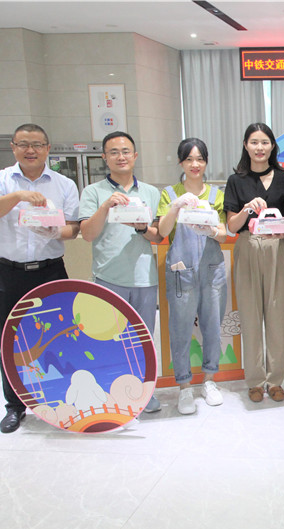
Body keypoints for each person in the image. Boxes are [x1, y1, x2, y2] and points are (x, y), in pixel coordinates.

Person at [0, 123, 80, 433]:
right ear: (13, 147)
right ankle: (15, 406)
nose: (30, 150)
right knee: (10, 341)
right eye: (23, 144)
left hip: (50, 271)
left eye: (37, 144)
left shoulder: (64, 184)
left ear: (47, 148)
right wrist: (19, 195)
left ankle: (59, 401)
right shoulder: (0, 179)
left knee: (59, 338)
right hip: (9, 273)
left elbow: (73, 228)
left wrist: (55, 231)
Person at [78, 131, 163, 412]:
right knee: (108, 340)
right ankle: (111, 395)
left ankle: (143, 393)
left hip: (144, 279)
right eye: (114, 152)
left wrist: (142, 228)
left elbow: (158, 236)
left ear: (135, 156)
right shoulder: (93, 192)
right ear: (104, 157)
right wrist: (106, 206)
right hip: (108, 277)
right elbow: (87, 234)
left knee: (142, 340)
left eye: (126, 151)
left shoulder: (150, 192)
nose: (121, 156)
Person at [156, 138, 228, 414]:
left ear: (206, 162)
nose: (195, 164)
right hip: (181, 271)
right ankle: (184, 386)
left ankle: (209, 380)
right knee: (180, 328)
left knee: (212, 326)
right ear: (181, 162)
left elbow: (223, 235)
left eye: (200, 159)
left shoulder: (216, 194)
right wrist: (176, 207)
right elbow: (163, 232)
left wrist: (210, 229)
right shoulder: (169, 193)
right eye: (189, 159)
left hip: (212, 269)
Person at [225, 123, 284, 403]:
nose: (260, 147)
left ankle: (275, 380)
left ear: (272, 146)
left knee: (277, 316)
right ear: (245, 145)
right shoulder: (236, 180)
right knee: (251, 316)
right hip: (247, 247)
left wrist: (282, 229)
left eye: (265, 142)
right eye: (254, 142)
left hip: (278, 248)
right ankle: (254, 381)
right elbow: (231, 226)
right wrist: (245, 209)